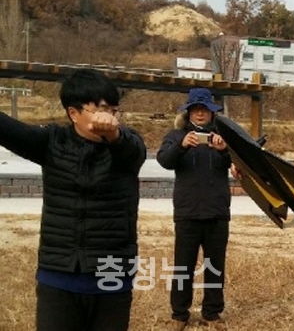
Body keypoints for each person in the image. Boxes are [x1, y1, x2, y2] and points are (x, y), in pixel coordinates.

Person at [0, 68, 147, 331]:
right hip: (58, 277)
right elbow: (9, 130)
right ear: (73, 113)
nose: (109, 117)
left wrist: (114, 135)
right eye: (101, 109)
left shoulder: (127, 145)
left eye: (113, 110)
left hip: (111, 277)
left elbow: (132, 152)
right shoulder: (52, 142)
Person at [157, 88, 231, 331]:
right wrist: (181, 146)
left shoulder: (223, 136)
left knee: (215, 266)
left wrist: (224, 150)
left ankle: (212, 313)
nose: (200, 114)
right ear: (188, 112)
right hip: (187, 213)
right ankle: (179, 314)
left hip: (217, 212)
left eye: (205, 110)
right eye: (196, 109)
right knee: (183, 266)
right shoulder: (176, 135)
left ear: (212, 113)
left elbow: (241, 162)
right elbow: (164, 160)